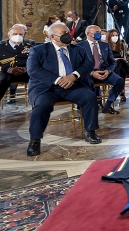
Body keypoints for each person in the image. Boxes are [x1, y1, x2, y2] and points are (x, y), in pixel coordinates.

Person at [26, 22, 100, 155]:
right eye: (64, 33)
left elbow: (88, 64)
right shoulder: (38, 50)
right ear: (52, 37)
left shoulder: (78, 49)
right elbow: (33, 70)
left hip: (72, 86)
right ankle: (35, 140)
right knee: (42, 105)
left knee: (89, 97)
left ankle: (90, 132)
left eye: (68, 32)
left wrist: (74, 76)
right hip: (47, 88)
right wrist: (58, 80)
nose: (68, 35)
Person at [78, 25, 125, 115]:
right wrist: (92, 73)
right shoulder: (79, 46)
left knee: (119, 81)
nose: (99, 34)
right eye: (97, 33)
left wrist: (108, 71)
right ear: (88, 33)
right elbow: (78, 64)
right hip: (87, 73)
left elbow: (112, 62)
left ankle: (107, 106)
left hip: (104, 71)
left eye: (99, 32)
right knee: (86, 84)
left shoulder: (105, 45)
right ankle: (88, 106)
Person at [0, 24, 36, 104]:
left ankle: (38, 103)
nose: (18, 36)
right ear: (9, 35)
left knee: (38, 78)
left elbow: (35, 61)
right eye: (15, 34)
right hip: (6, 73)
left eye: (20, 34)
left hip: (25, 73)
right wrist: (8, 69)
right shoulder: (1, 47)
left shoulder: (29, 47)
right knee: (2, 80)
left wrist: (27, 68)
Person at [106, 28, 129, 102]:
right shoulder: (105, 46)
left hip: (123, 67)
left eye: (116, 35)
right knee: (120, 61)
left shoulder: (123, 45)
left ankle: (121, 92)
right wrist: (115, 60)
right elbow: (103, 59)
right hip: (111, 68)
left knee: (121, 65)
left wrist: (126, 61)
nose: (115, 37)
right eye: (113, 35)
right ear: (109, 36)